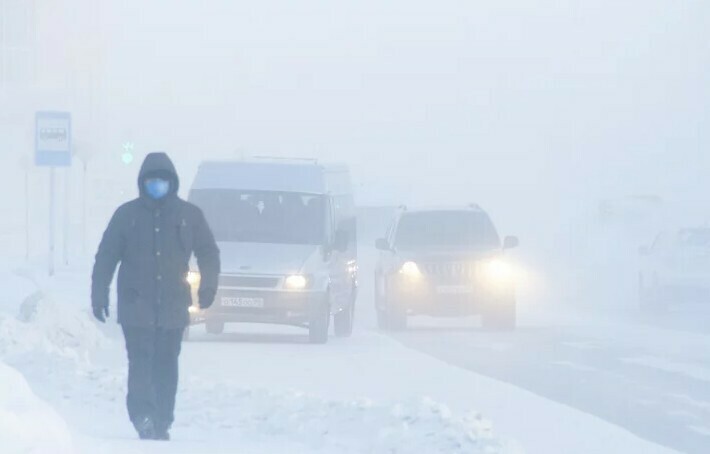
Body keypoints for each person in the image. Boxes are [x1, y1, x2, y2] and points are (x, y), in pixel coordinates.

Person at [91, 152, 220, 441]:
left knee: (167, 365)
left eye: (162, 180)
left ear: (172, 182)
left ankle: (162, 419)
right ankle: (143, 416)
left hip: (173, 307)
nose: (157, 185)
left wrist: (208, 286)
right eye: (152, 180)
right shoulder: (126, 216)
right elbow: (107, 256)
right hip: (136, 307)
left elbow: (209, 252)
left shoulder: (189, 216)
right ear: (142, 182)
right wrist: (99, 293)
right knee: (140, 363)